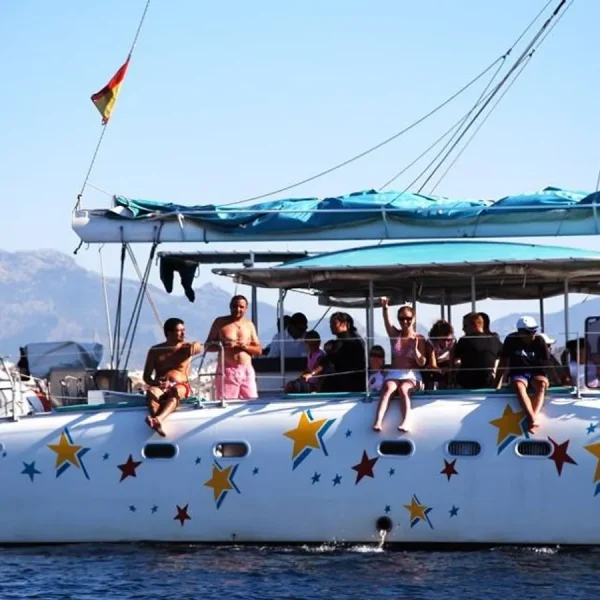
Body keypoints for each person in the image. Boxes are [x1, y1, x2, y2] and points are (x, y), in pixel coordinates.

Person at [373, 300, 427, 433]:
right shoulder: (395, 335)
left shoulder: (419, 338)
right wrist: (385, 307)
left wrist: (415, 350)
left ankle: (406, 421)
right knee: (388, 388)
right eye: (401, 319)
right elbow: (387, 322)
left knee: (404, 389)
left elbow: (422, 363)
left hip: (412, 374)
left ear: (413, 318)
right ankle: (378, 421)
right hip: (395, 373)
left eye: (408, 318)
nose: (405, 322)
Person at [142, 317, 203, 436]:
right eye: (179, 331)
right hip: (161, 386)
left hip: (180, 385)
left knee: (175, 391)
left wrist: (197, 343)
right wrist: (156, 383)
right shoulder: (155, 351)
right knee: (151, 392)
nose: (183, 333)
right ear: (169, 333)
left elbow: (200, 347)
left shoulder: (187, 348)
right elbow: (146, 377)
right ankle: (156, 422)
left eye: (184, 330)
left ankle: (158, 419)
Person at [494, 316, 550, 433]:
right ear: (520, 332)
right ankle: (532, 418)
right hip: (518, 372)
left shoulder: (540, 340)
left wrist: (557, 380)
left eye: (534, 331)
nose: (533, 334)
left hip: (536, 372)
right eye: (529, 332)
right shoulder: (510, 340)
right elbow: (503, 362)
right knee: (519, 386)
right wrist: (496, 384)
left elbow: (547, 363)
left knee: (541, 384)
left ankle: (533, 418)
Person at [205, 295, 263, 400]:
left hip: (246, 370)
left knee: (252, 401)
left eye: (241, 307)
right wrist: (222, 345)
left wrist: (243, 346)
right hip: (227, 370)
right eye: (235, 306)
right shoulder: (220, 322)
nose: (238, 309)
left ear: (246, 308)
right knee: (227, 403)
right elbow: (207, 346)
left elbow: (258, 350)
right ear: (230, 306)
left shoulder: (249, 324)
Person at [319, 312, 366, 393]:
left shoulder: (347, 340)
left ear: (344, 324)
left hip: (349, 382)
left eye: (334, 323)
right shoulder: (354, 338)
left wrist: (312, 373)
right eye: (330, 323)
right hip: (352, 380)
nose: (331, 326)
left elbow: (330, 358)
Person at [452, 312, 502, 389]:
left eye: (465, 326)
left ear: (475, 325)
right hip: (488, 383)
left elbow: (454, 360)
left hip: (466, 383)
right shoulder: (495, 340)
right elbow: (502, 358)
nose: (463, 329)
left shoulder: (464, 340)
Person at [424, 320, 455, 390]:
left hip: (445, 361)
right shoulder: (430, 343)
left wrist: (450, 378)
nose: (446, 343)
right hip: (431, 363)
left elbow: (451, 362)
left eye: (448, 340)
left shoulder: (453, 342)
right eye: (443, 340)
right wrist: (441, 370)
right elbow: (432, 364)